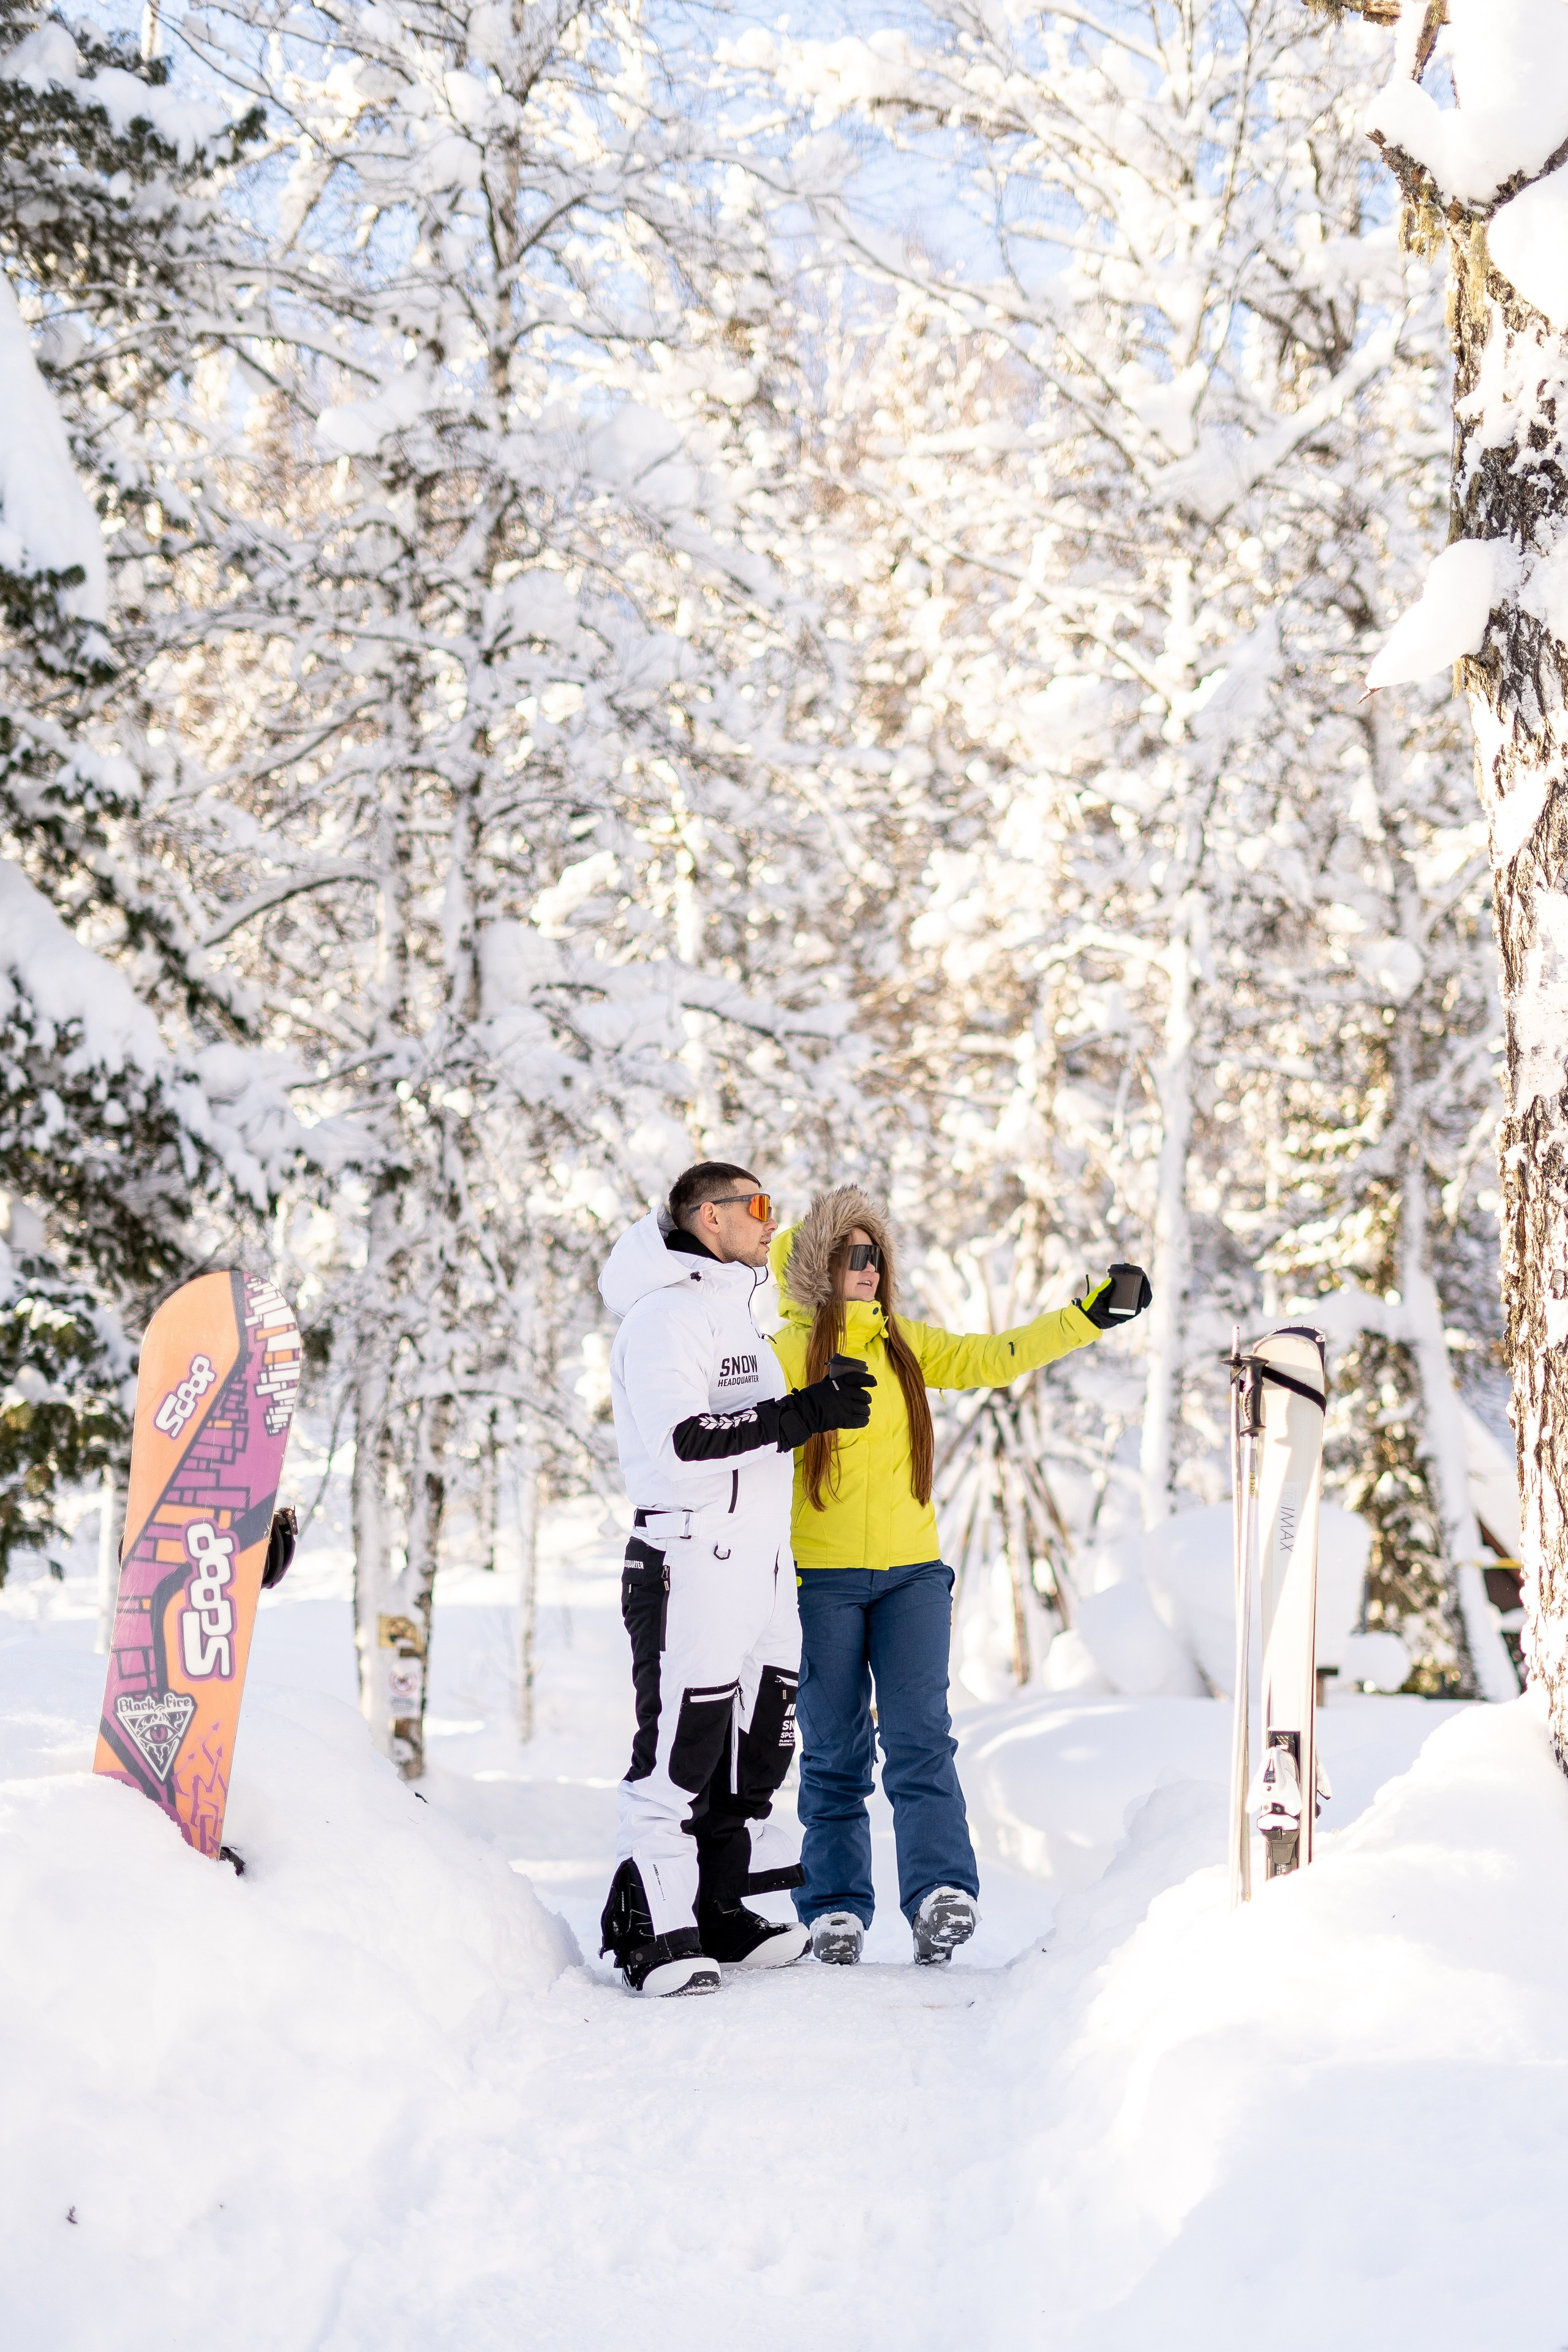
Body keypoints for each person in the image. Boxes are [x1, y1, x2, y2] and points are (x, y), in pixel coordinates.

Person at [769, 1186, 1150, 1966]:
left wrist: (1087, 1316)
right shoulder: (781, 1352)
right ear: (816, 1265)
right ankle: (835, 1909)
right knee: (834, 1751)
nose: (868, 1270)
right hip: (821, 1580)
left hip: (912, 1575)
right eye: (850, 1256)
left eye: (876, 1256)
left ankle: (941, 1894)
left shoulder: (903, 1345)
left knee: (920, 1741)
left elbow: (992, 1357)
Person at [595, 1162, 875, 1997]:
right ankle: (652, 1928)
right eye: (755, 1206)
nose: (768, 1219)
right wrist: (801, 1414)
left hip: (760, 1564)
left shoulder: (735, 1314)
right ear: (708, 1219)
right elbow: (682, 1440)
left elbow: (748, 1432)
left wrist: (815, 1400)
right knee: (681, 1747)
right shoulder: (661, 1320)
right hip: (688, 1560)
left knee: (754, 1746)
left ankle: (718, 1909)